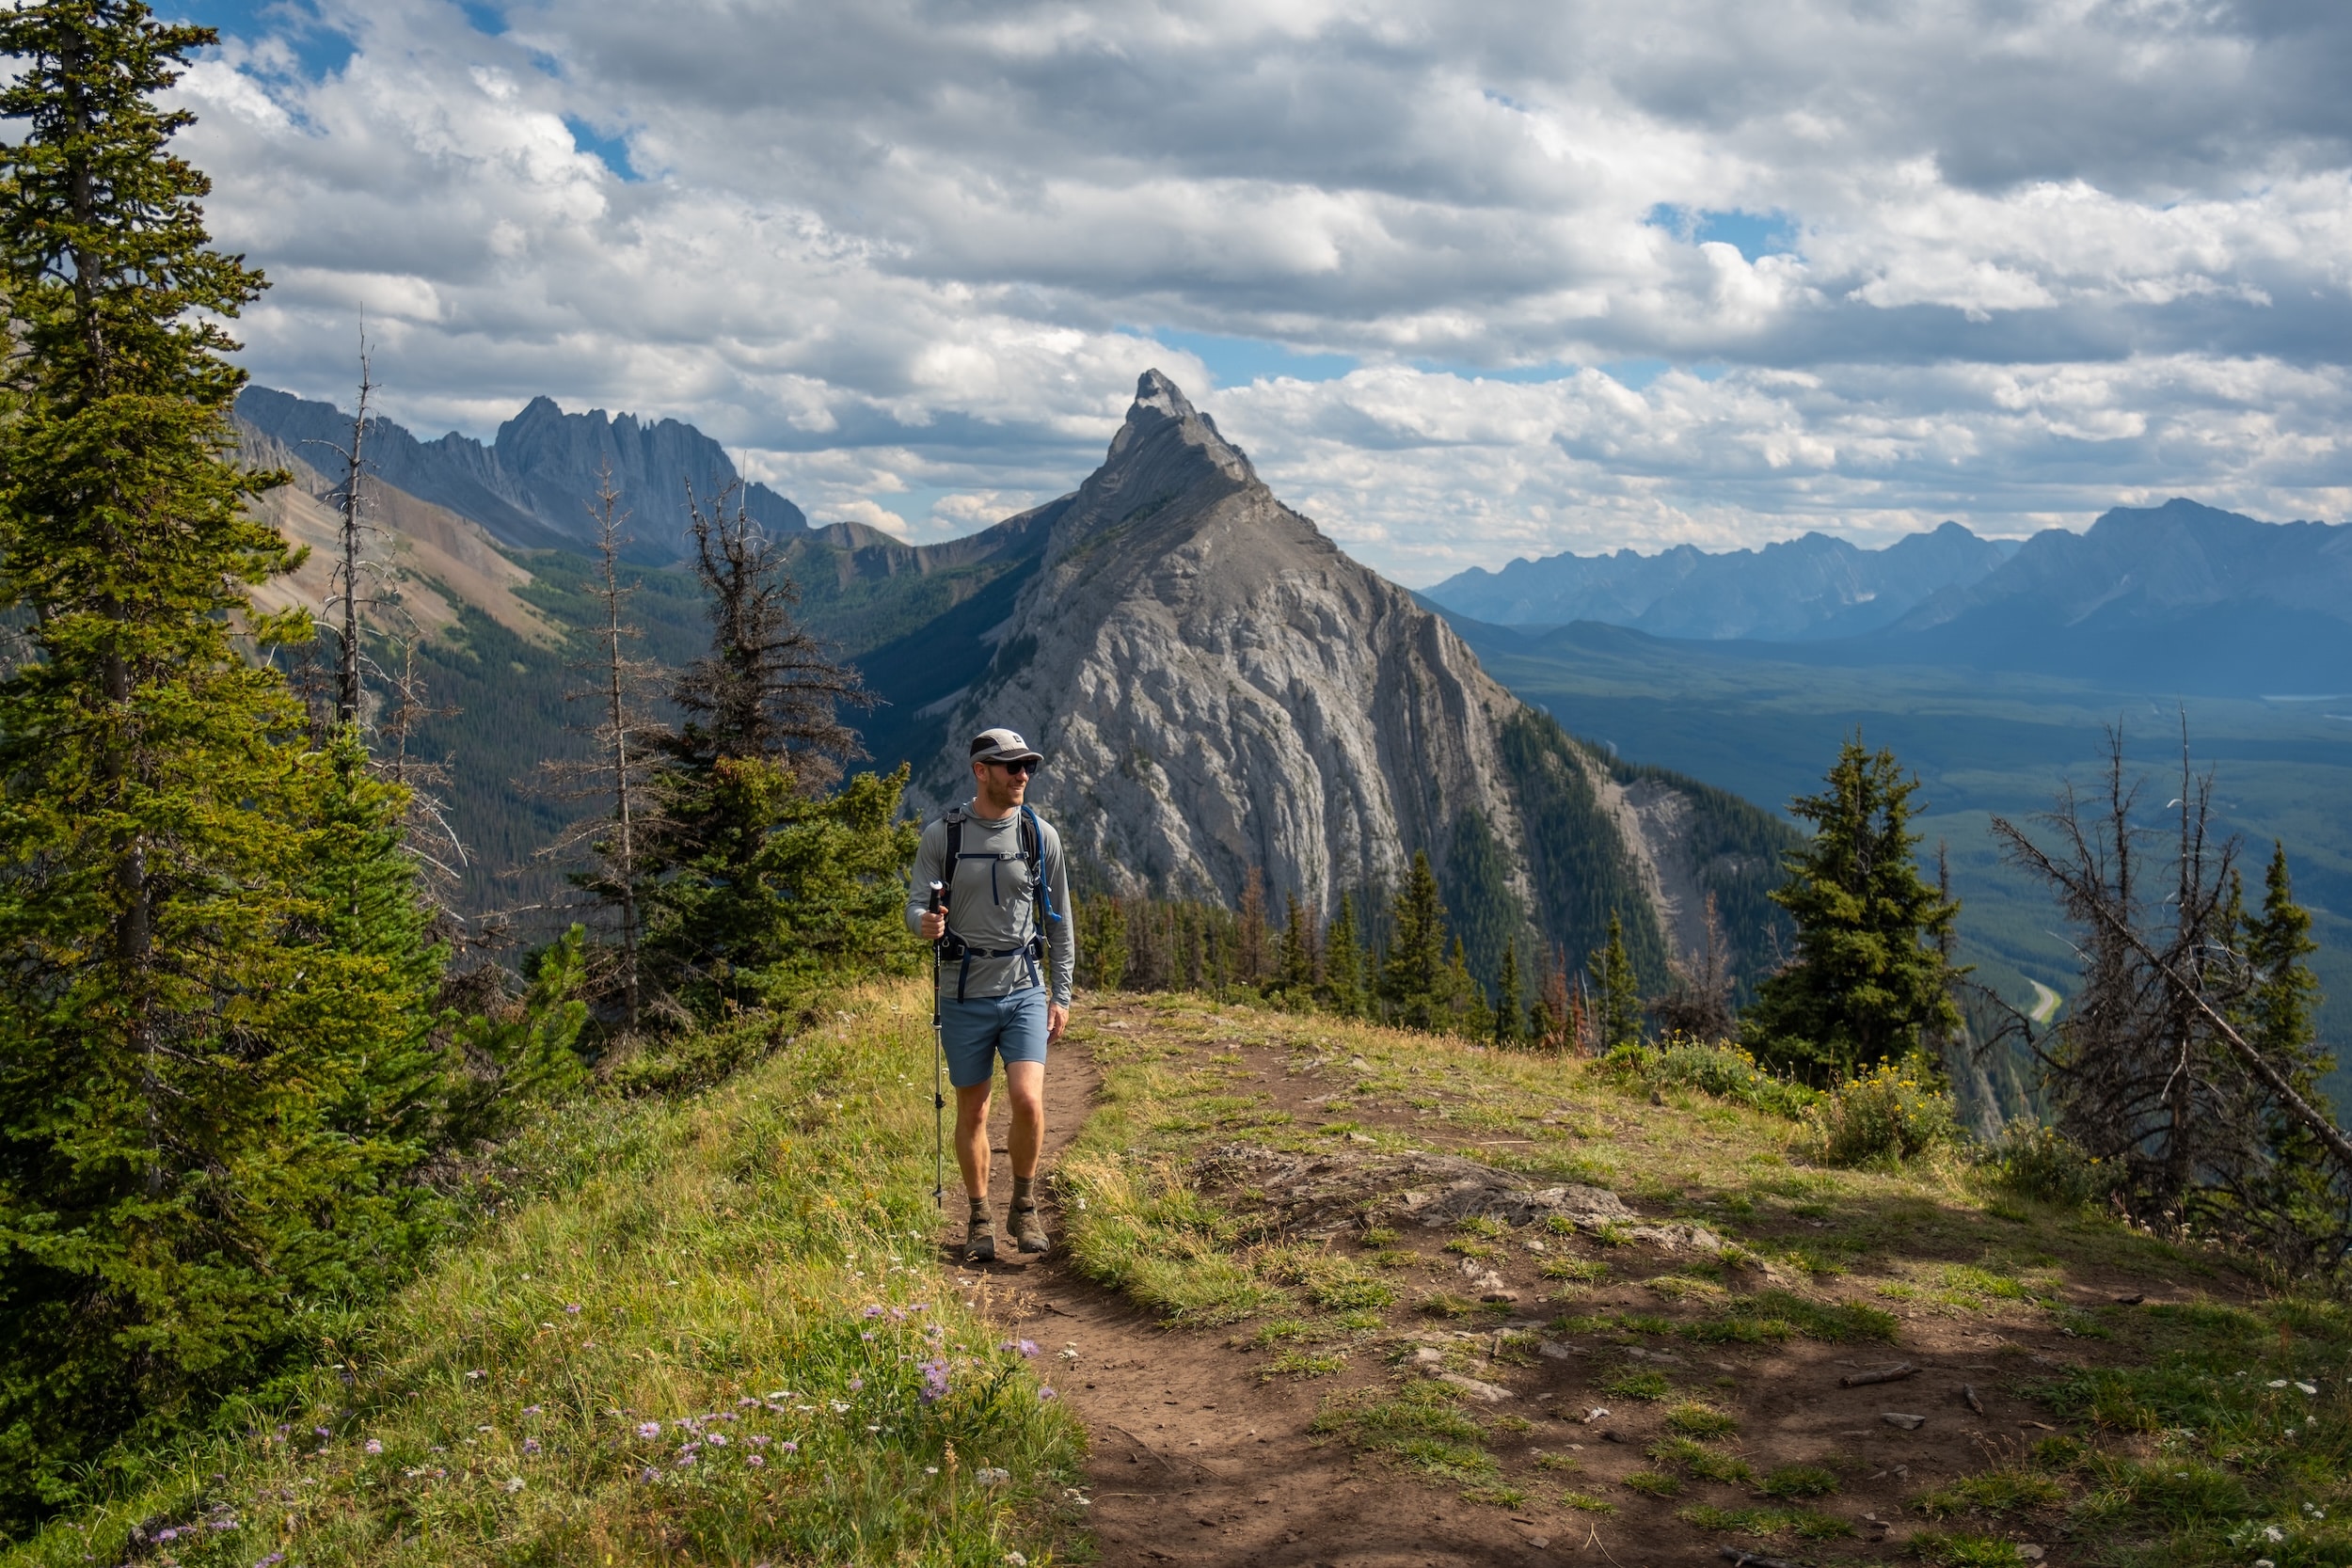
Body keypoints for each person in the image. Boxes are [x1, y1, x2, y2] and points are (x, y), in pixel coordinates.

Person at [906, 726, 1073, 1262]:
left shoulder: (1039, 836)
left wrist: (1062, 994)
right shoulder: (944, 836)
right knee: (974, 1112)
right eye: (1012, 766)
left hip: (1024, 988)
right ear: (982, 771)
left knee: (1027, 1100)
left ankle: (1023, 1208)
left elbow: (1061, 923)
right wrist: (924, 924)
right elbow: (914, 905)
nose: (1023, 775)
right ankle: (979, 1216)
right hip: (962, 993)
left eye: (1027, 766)